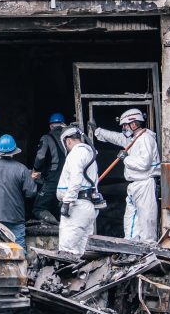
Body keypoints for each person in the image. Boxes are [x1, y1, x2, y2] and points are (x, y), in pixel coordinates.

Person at [92, 108, 160, 242]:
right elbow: (117, 138)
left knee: (146, 220)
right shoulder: (135, 139)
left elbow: (144, 164)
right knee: (131, 219)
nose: (123, 128)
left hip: (144, 183)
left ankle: (149, 248)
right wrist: (98, 131)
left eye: (125, 125)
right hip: (135, 185)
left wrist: (126, 159)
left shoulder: (145, 139)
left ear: (134, 124)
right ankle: (131, 246)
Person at [54, 125, 99, 257]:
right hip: (86, 206)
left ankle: (67, 278)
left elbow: (75, 179)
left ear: (68, 141)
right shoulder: (89, 153)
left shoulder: (77, 153)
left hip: (77, 207)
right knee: (81, 252)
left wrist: (67, 202)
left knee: (67, 250)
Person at [31, 112, 67, 223]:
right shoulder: (70, 138)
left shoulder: (47, 138)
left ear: (51, 126)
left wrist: (36, 169)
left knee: (39, 208)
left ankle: (56, 226)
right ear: (63, 124)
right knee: (61, 206)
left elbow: (40, 157)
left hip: (53, 178)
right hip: (69, 177)